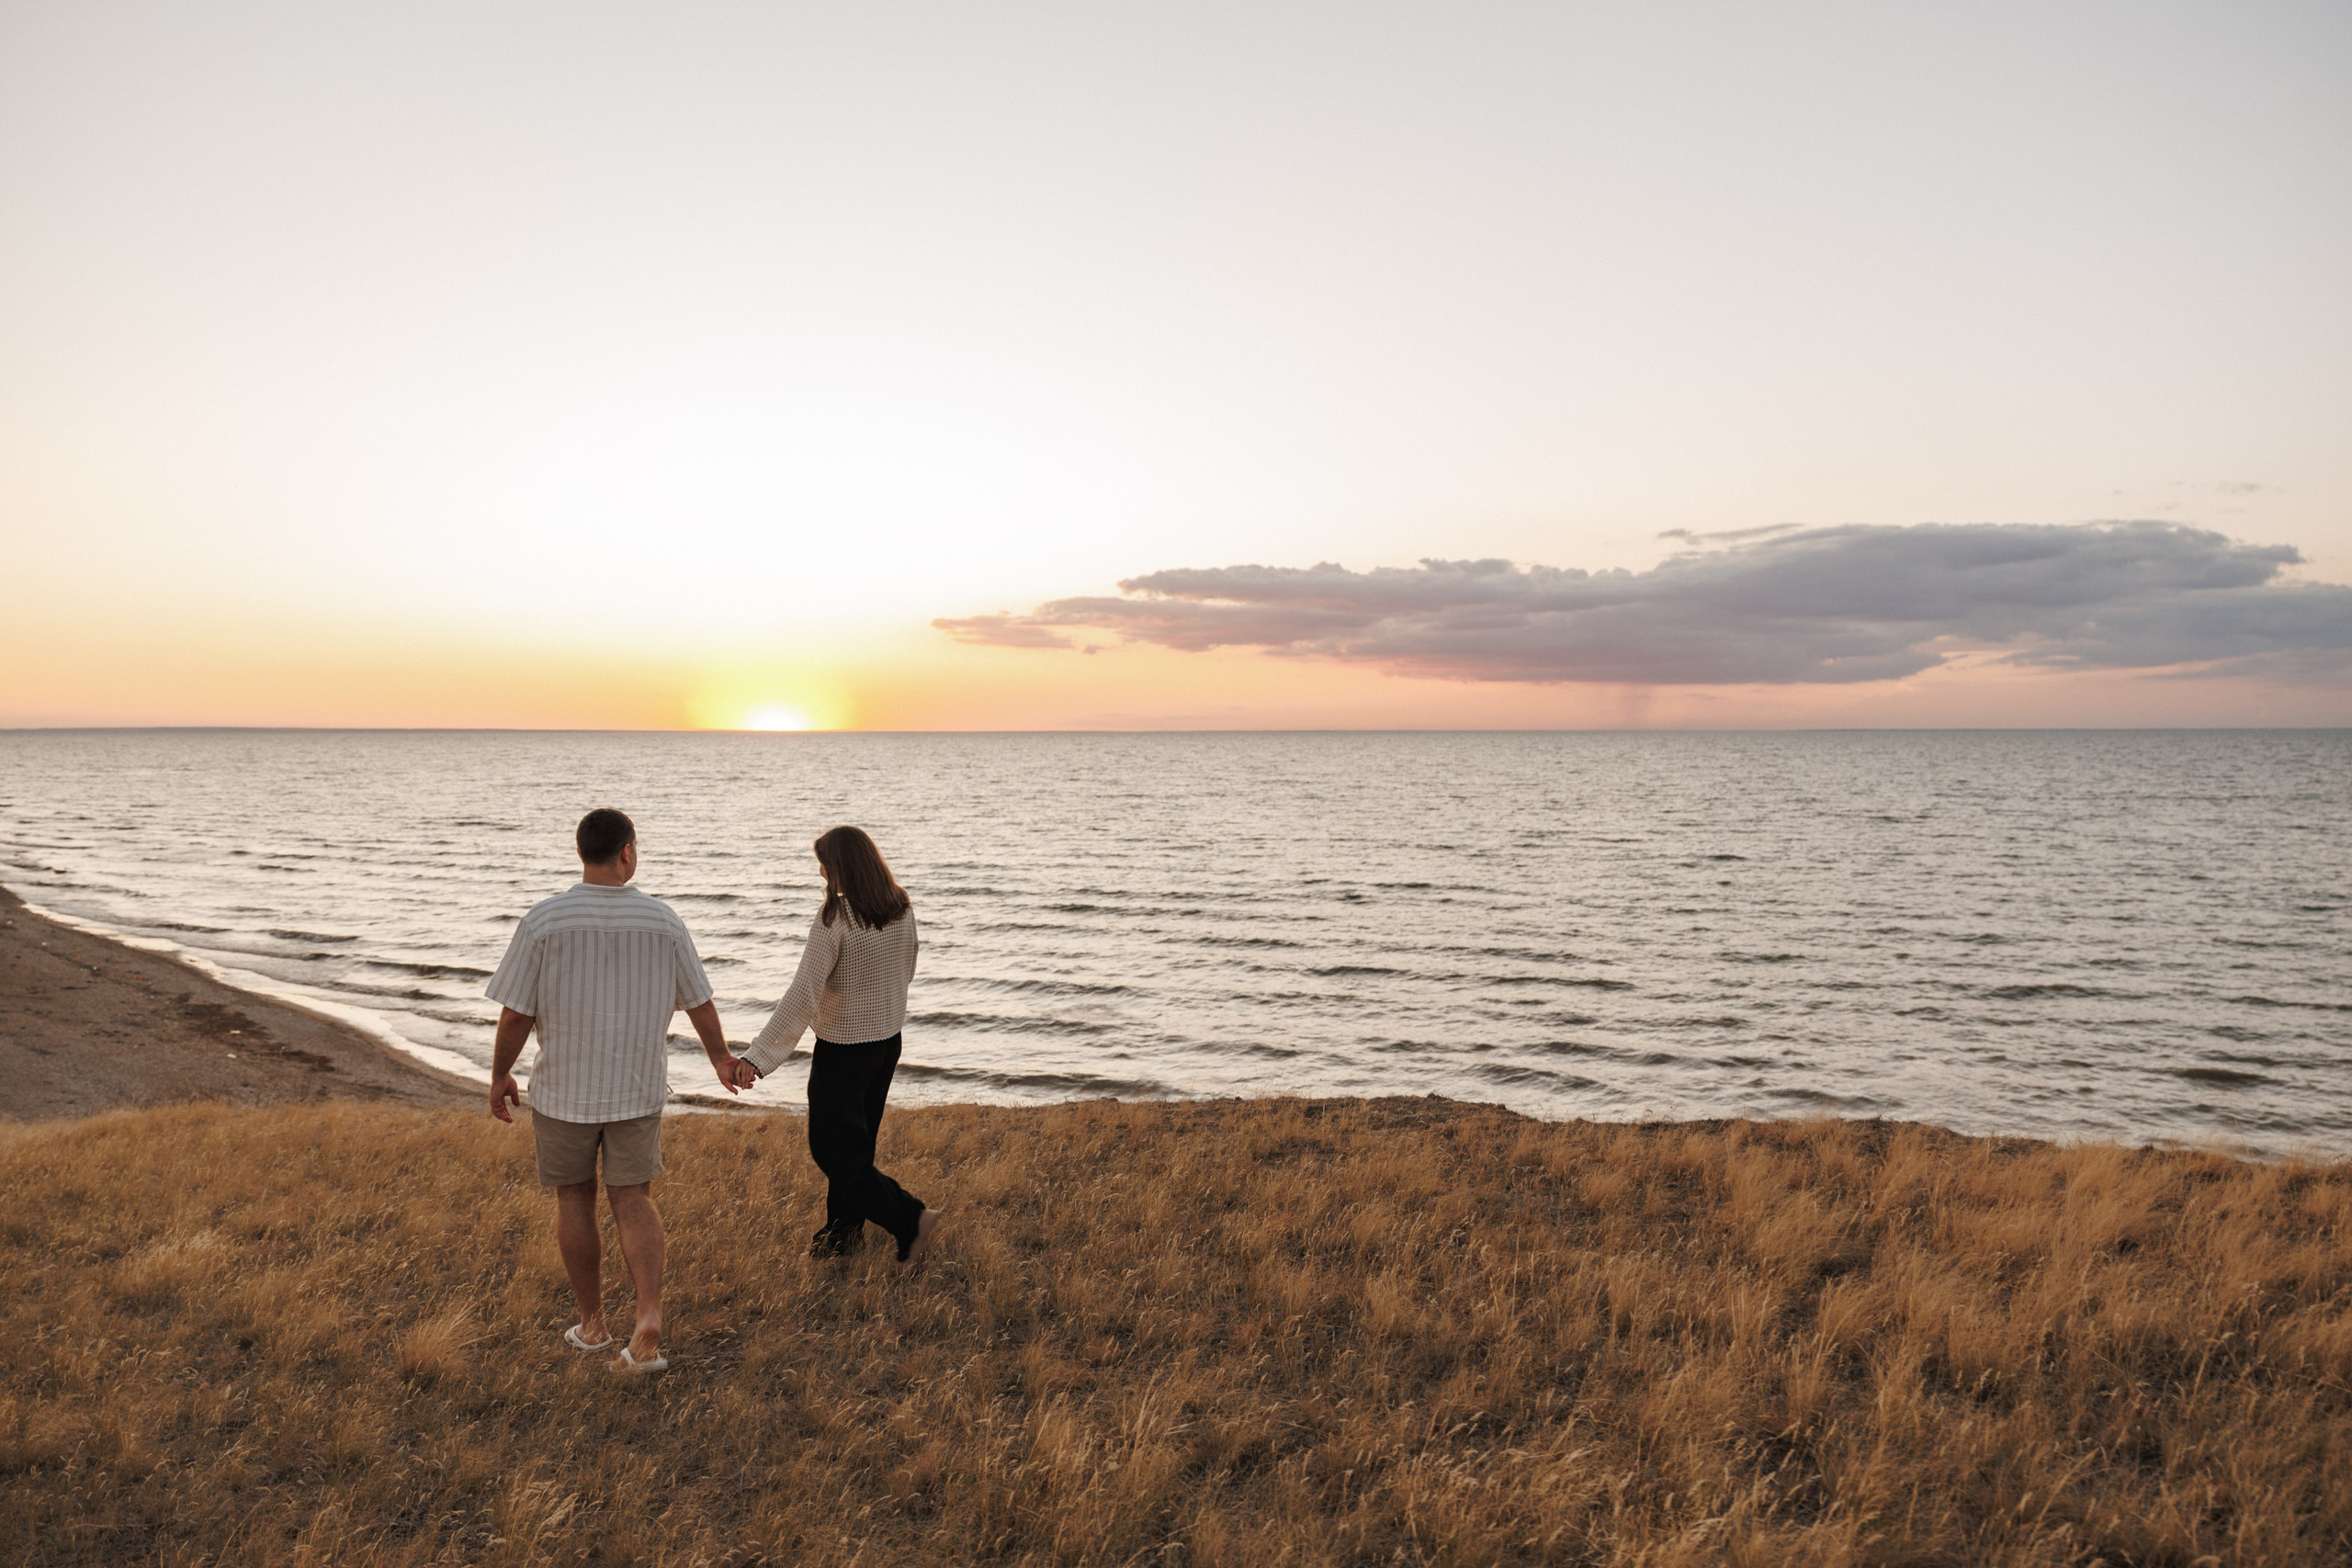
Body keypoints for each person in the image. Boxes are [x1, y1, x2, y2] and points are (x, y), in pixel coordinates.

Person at [484, 807, 755, 1373]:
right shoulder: (663, 921)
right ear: (627, 852)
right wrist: (720, 1058)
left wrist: (500, 1074)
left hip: (564, 1092)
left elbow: (516, 1014)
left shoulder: (544, 921)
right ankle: (648, 1315)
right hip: (636, 1089)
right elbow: (699, 1001)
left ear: (581, 852)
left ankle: (593, 1324)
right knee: (634, 1199)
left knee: (574, 1199)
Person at [742, 825, 942, 1265]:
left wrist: (758, 1057)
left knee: (833, 1150)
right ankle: (842, 1236)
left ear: (841, 867)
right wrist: (879, 1005)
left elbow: (803, 994)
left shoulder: (835, 918)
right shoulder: (901, 906)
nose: (820, 873)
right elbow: (908, 969)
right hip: (887, 1043)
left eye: (824, 864)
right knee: (857, 1147)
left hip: (845, 1050)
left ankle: (911, 1218)